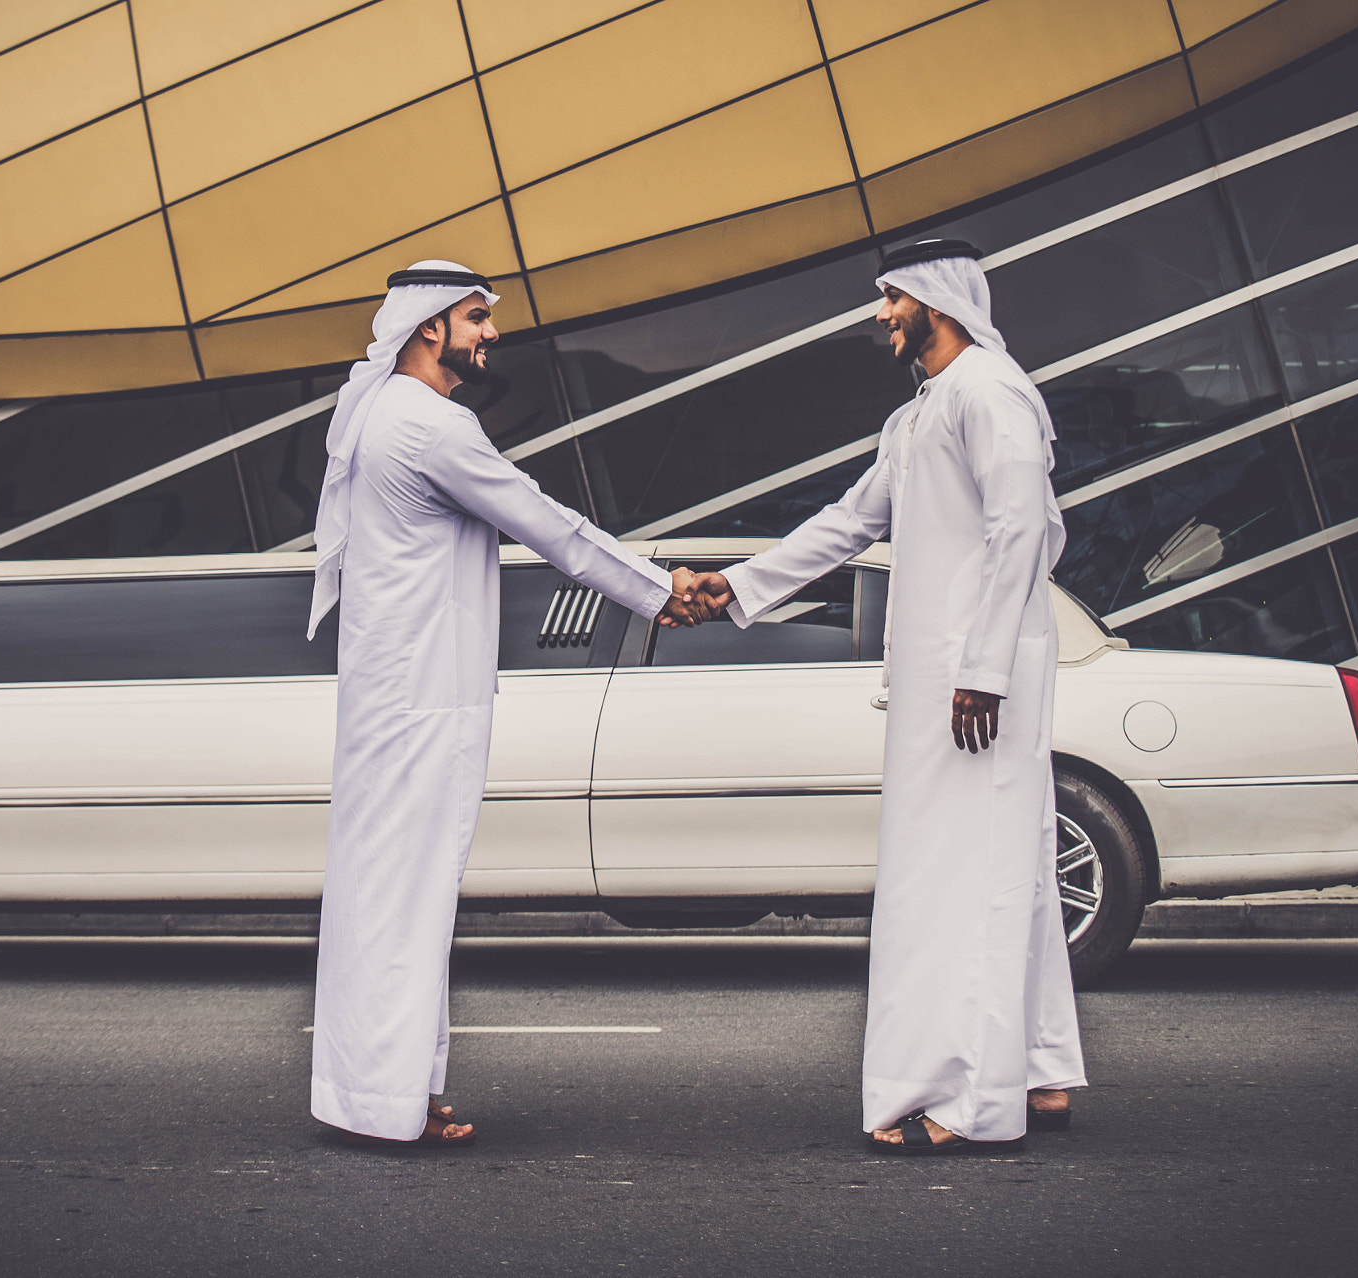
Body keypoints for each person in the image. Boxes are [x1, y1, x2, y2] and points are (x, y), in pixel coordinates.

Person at [682, 239, 1085, 1153]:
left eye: (891, 299)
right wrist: (735, 587)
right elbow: (850, 523)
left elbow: (1022, 530)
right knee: (1005, 866)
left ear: (934, 302)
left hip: (973, 680)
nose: (880, 316)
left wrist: (981, 670)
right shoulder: (923, 415)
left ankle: (977, 1099)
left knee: (963, 874)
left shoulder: (989, 393)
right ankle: (1044, 1069)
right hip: (946, 678)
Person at [308, 261, 707, 1148]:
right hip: (422, 701)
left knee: (386, 895)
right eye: (478, 318)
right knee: (408, 899)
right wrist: (660, 588)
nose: (491, 334)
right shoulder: (429, 427)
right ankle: (385, 1103)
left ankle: (381, 1090)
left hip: (394, 694)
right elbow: (547, 524)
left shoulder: (383, 413)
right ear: (429, 329)